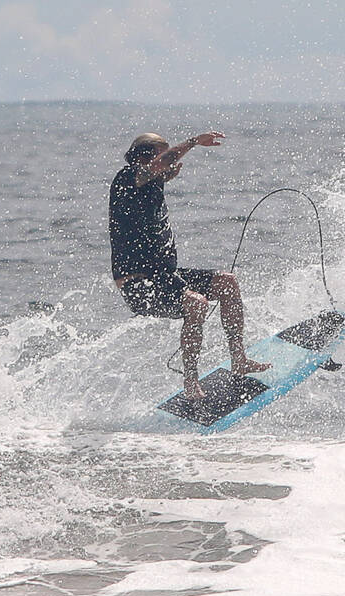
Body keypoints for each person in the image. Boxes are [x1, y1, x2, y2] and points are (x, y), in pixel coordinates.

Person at [109, 131, 270, 400]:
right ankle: (190, 382)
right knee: (196, 303)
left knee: (227, 283)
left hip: (166, 277)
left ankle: (239, 359)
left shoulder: (150, 184)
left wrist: (165, 175)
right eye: (164, 154)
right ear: (146, 156)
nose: (170, 161)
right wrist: (194, 142)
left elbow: (158, 170)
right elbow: (157, 166)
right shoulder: (127, 178)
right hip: (138, 284)